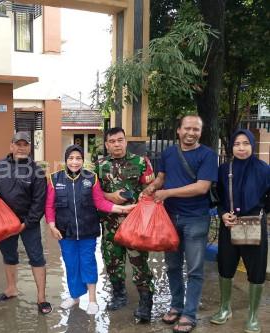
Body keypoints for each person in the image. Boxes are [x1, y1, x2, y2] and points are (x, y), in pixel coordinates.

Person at [143, 115, 218, 333]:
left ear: (200, 133)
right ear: (179, 130)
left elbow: (202, 187)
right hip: (170, 218)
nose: (191, 133)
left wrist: (166, 193)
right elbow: (161, 177)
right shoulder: (168, 153)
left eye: (196, 129)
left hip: (196, 219)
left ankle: (189, 314)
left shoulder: (208, 155)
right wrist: (152, 188)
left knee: (194, 269)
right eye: (187, 128)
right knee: (173, 266)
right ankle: (177, 305)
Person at [45, 145, 135, 314]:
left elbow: (100, 202)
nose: (74, 162)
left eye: (78, 158)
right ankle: (74, 297)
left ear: (82, 160)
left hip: (88, 231)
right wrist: (51, 225)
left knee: (88, 263)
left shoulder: (91, 178)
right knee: (71, 264)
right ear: (65, 160)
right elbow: (49, 206)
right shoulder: (54, 179)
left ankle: (92, 300)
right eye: (71, 158)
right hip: (65, 232)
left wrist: (122, 209)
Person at [210, 129, 269, 333]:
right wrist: (222, 213)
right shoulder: (225, 169)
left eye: (245, 143)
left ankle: (252, 315)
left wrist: (260, 212)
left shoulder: (263, 169)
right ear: (231, 146)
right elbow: (215, 194)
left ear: (252, 145)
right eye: (237, 144)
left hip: (253, 224)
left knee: (256, 268)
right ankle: (225, 308)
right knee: (226, 265)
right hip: (230, 224)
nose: (241, 148)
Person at [0, 132, 52, 315]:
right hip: (5, 223)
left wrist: (26, 224)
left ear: (29, 147)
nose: (21, 147)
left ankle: (41, 297)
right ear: (11, 146)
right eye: (18, 144)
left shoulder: (37, 171)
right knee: (9, 256)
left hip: (28, 224)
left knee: (37, 257)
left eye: (25, 144)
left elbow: (39, 202)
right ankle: (11, 289)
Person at [94, 127, 156, 321]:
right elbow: (94, 194)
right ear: (106, 144)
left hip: (135, 225)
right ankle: (119, 294)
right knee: (112, 261)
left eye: (120, 140)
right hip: (110, 224)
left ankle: (146, 302)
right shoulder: (100, 165)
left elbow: (151, 189)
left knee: (139, 263)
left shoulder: (140, 162)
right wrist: (109, 196)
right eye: (112, 141)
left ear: (126, 142)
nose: (117, 144)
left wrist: (140, 198)